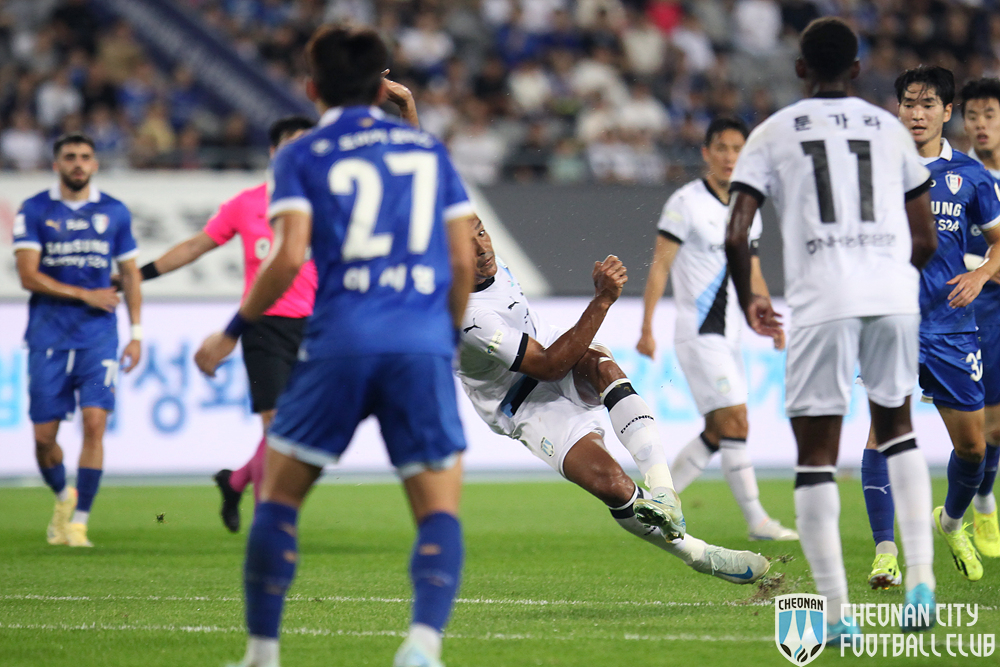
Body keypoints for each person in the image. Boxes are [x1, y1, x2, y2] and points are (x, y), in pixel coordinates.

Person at [194, 25, 475, 667]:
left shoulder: (302, 154)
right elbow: (461, 262)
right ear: (381, 86)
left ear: (311, 87)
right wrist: (443, 339)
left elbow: (290, 255)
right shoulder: (428, 151)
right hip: (418, 344)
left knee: (279, 498)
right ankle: (422, 645)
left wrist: (232, 330)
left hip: (338, 341)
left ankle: (262, 653)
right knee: (437, 508)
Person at [725, 18, 939, 639]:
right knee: (899, 431)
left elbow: (736, 232)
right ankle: (921, 583)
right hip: (892, 295)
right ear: (857, 69)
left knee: (816, 456)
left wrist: (750, 299)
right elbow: (925, 237)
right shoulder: (889, 129)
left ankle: (839, 614)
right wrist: (889, 279)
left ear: (799, 69)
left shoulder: (772, 132)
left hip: (822, 300)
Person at [458, 217, 772, 584]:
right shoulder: (467, 315)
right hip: (521, 402)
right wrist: (603, 300)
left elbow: (549, 354)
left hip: (549, 346)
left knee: (602, 367)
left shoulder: (490, 265)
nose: (482, 247)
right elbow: (547, 366)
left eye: (482, 232)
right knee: (612, 484)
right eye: (467, 244)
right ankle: (700, 555)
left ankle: (664, 492)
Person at [137, 116, 317, 532]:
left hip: (317, 326)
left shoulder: (328, 203)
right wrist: (137, 275)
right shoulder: (247, 204)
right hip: (264, 325)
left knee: (301, 432)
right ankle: (268, 527)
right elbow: (195, 246)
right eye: (292, 144)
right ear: (273, 152)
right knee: (276, 427)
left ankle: (235, 482)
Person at [860, 67, 1000, 588]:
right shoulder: (875, 169)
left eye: (928, 104)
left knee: (973, 449)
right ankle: (885, 553)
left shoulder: (970, 175)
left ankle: (952, 521)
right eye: (909, 104)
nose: (916, 114)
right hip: (891, 323)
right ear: (898, 109)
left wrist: (980, 274)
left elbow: (998, 241)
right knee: (883, 434)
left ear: (946, 112)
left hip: (952, 327)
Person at [636, 117, 797, 542]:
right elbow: (660, 266)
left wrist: (768, 316)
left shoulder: (748, 209)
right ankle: (757, 521)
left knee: (717, 430)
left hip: (731, 335)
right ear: (706, 153)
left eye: (737, 149)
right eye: (721, 148)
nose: (730, 157)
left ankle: (653, 506)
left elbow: (753, 271)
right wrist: (646, 327)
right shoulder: (685, 203)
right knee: (737, 422)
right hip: (698, 332)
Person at [12, 133, 143, 548]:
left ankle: (80, 522)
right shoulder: (34, 209)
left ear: (95, 164)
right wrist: (85, 294)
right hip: (48, 335)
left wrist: (137, 333)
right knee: (43, 439)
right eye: (70, 157)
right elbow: (28, 275)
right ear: (56, 165)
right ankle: (62, 495)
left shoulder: (114, 211)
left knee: (95, 423)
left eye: (85, 157)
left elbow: (131, 274)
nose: (78, 163)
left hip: (98, 336)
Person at [959, 77, 1000, 559]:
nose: (981, 124)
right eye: (973, 116)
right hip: (983, 306)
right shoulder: (961, 175)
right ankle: (984, 500)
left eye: (990, 114)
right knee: (991, 426)